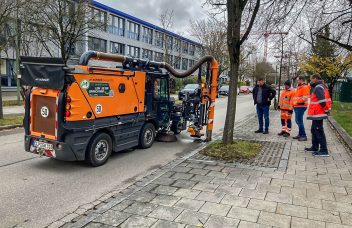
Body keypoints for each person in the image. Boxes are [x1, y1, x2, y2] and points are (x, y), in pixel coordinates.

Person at [305, 73, 332, 157]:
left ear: (315, 78)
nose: (310, 81)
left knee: (318, 131)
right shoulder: (321, 86)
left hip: (318, 113)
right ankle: (315, 147)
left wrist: (326, 110)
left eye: (311, 79)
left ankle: (324, 150)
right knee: (314, 130)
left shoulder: (318, 87)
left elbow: (322, 101)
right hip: (316, 113)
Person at [291, 76, 311, 141]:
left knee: (299, 121)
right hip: (298, 106)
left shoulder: (304, 87)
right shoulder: (300, 87)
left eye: (298, 80)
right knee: (298, 121)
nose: (297, 81)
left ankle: (303, 135)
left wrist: (296, 102)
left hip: (300, 106)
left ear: (301, 80)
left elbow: (305, 97)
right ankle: (300, 134)